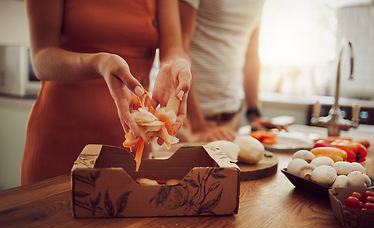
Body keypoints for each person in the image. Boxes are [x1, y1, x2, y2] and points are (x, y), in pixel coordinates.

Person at [21, 0, 191, 185]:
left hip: (129, 152)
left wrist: (178, 63)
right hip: (62, 146)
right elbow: (41, 59)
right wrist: (99, 63)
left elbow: (174, 48)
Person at [178, 0, 286, 143]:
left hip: (231, 121)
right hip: (188, 121)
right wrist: (198, 126)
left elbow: (251, 55)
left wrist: (253, 113)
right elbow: (179, 46)